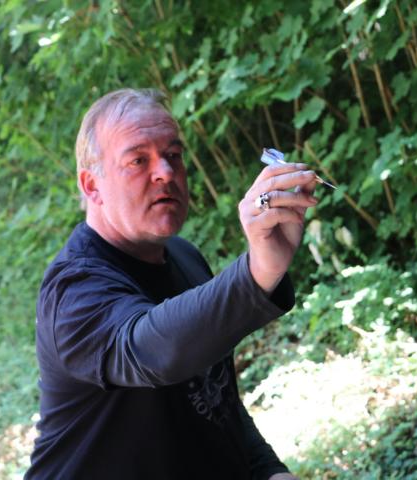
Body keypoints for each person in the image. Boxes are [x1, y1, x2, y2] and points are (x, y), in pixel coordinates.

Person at [26, 88, 318, 479]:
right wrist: (257, 271)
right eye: (137, 160)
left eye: (174, 155)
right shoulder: (72, 289)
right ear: (92, 185)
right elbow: (153, 351)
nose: (165, 171)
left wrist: (268, 471)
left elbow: (216, 400)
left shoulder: (183, 257)